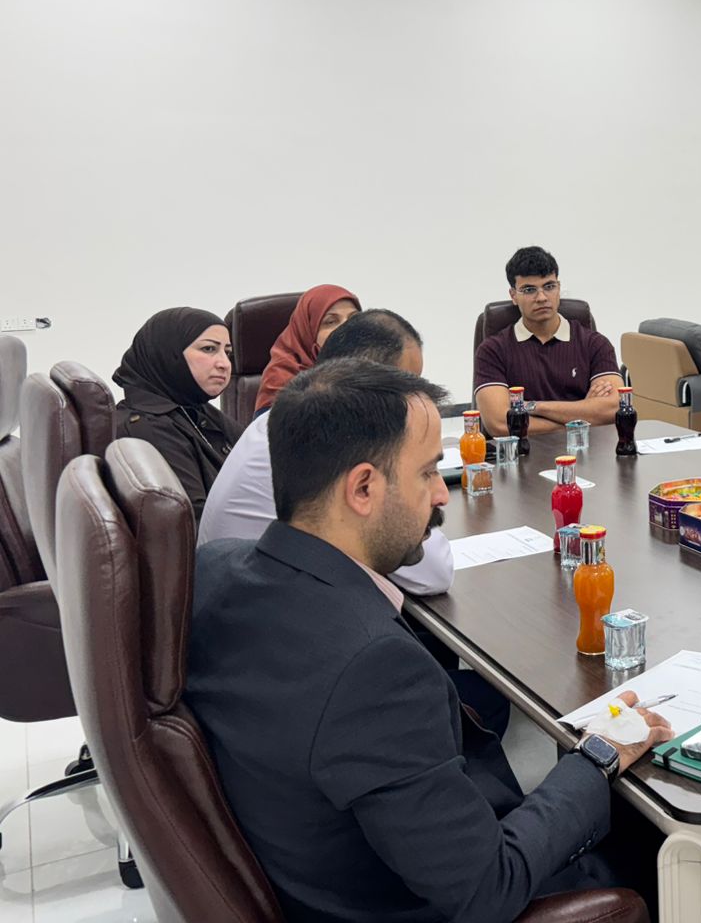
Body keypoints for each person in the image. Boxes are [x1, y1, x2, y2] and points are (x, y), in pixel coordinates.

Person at [186, 358, 672, 923]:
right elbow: (486, 889)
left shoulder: (216, 569)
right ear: (362, 488)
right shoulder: (372, 668)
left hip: (330, 862)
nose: (442, 494)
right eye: (426, 473)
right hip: (410, 899)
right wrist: (598, 755)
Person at [199, 309, 452, 597]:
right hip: (275, 605)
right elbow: (433, 573)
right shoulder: (332, 442)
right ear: (369, 384)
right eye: (408, 386)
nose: (418, 399)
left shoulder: (288, 418)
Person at [473, 247, 623, 438]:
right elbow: (500, 423)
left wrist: (532, 407)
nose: (542, 297)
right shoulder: (492, 350)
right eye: (529, 290)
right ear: (513, 295)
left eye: (549, 286)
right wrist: (584, 415)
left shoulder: (594, 344)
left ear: (559, 288)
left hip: (586, 451)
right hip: (523, 453)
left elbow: (614, 409)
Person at [113, 307, 244, 519]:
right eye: (209, 349)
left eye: (227, 353)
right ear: (167, 354)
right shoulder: (150, 429)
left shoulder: (194, 409)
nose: (224, 364)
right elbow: (194, 521)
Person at [254, 284, 360, 415]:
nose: (347, 327)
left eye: (354, 318)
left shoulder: (373, 365)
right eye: (331, 322)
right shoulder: (281, 378)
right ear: (307, 331)